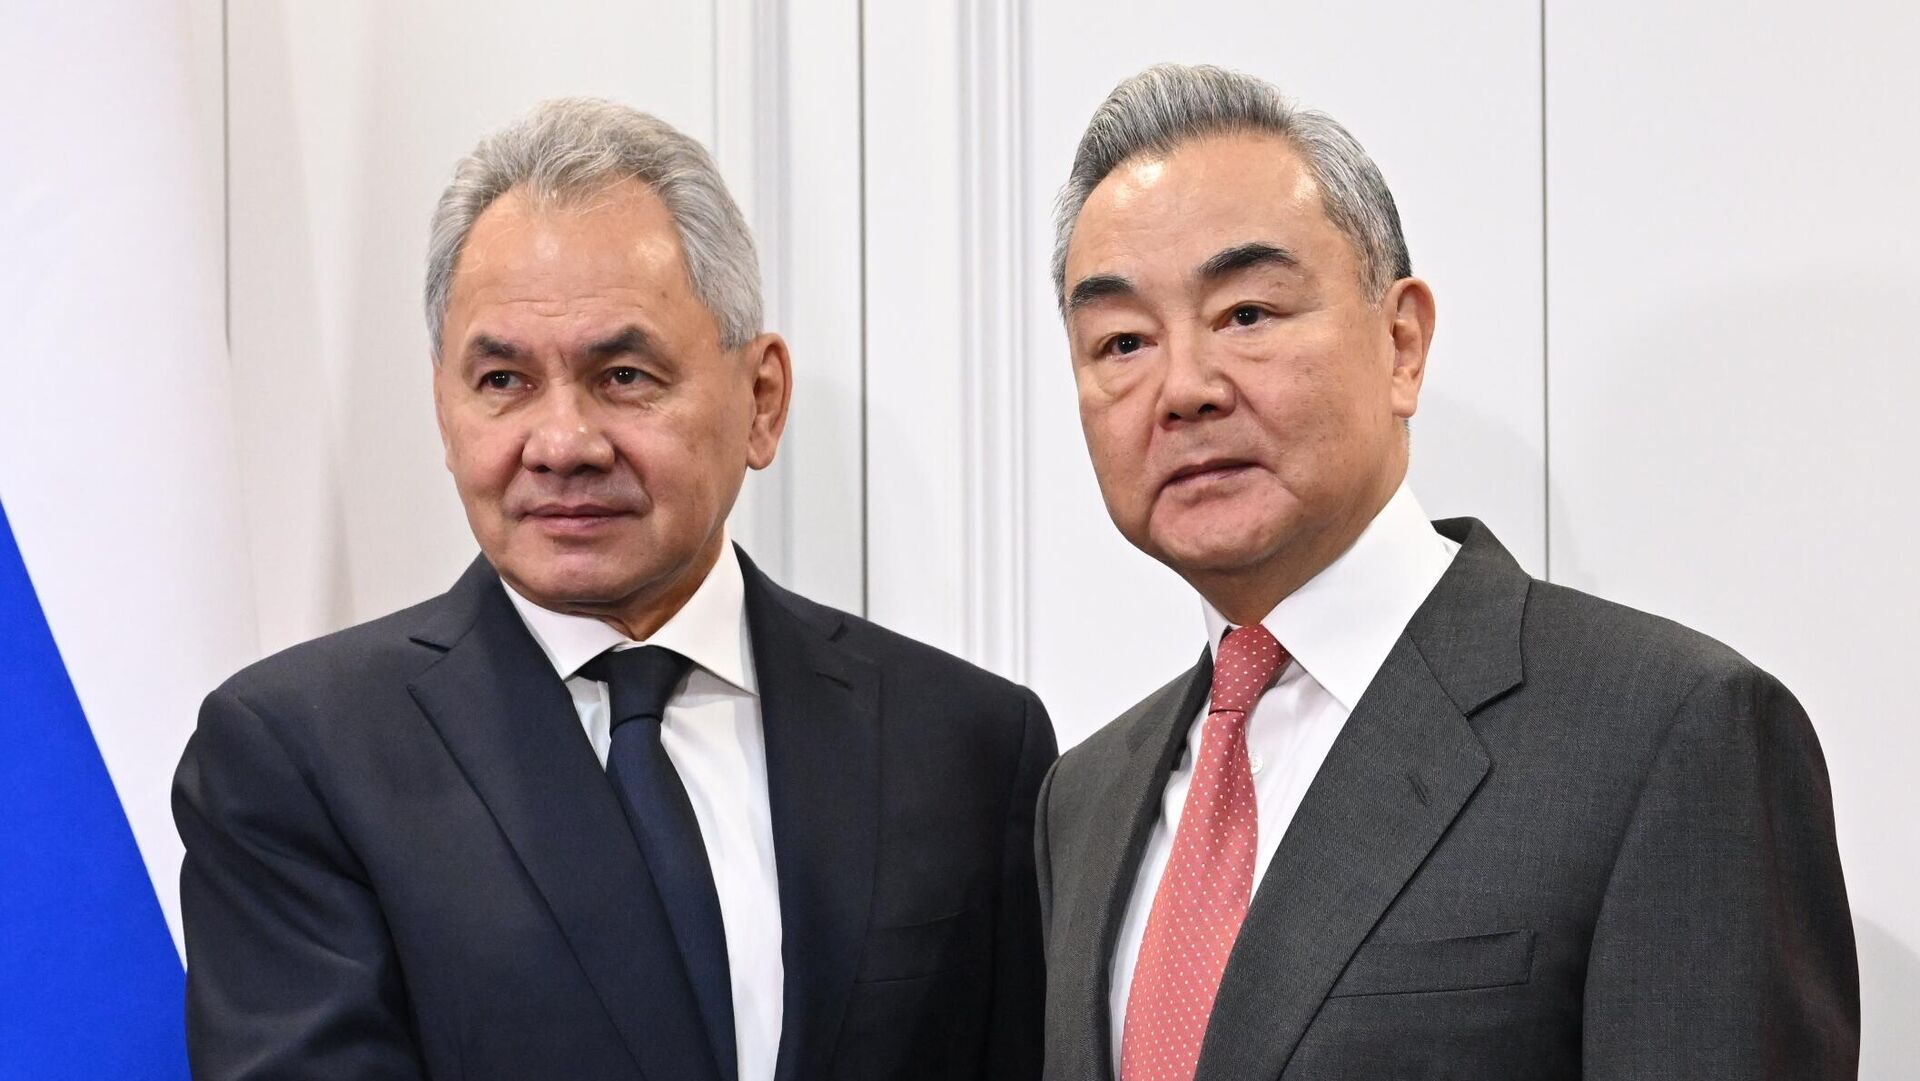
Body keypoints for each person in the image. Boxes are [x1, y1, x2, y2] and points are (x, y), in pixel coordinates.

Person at [174, 99, 1055, 1081]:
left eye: (624, 375)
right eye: (503, 381)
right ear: (444, 409)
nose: (562, 444)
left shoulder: (970, 745)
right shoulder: (297, 756)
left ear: (761, 400)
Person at [1034, 64, 1857, 1080]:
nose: (1184, 387)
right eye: (1122, 340)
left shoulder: (1670, 733)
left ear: (1401, 342)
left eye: (1246, 314)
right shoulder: (1082, 801)